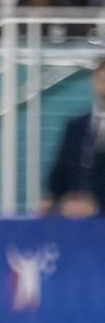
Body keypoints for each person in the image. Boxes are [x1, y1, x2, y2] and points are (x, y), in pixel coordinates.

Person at [45, 58, 105, 216]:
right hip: (72, 218)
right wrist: (52, 197)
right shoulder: (76, 126)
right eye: (101, 80)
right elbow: (62, 167)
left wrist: (97, 206)